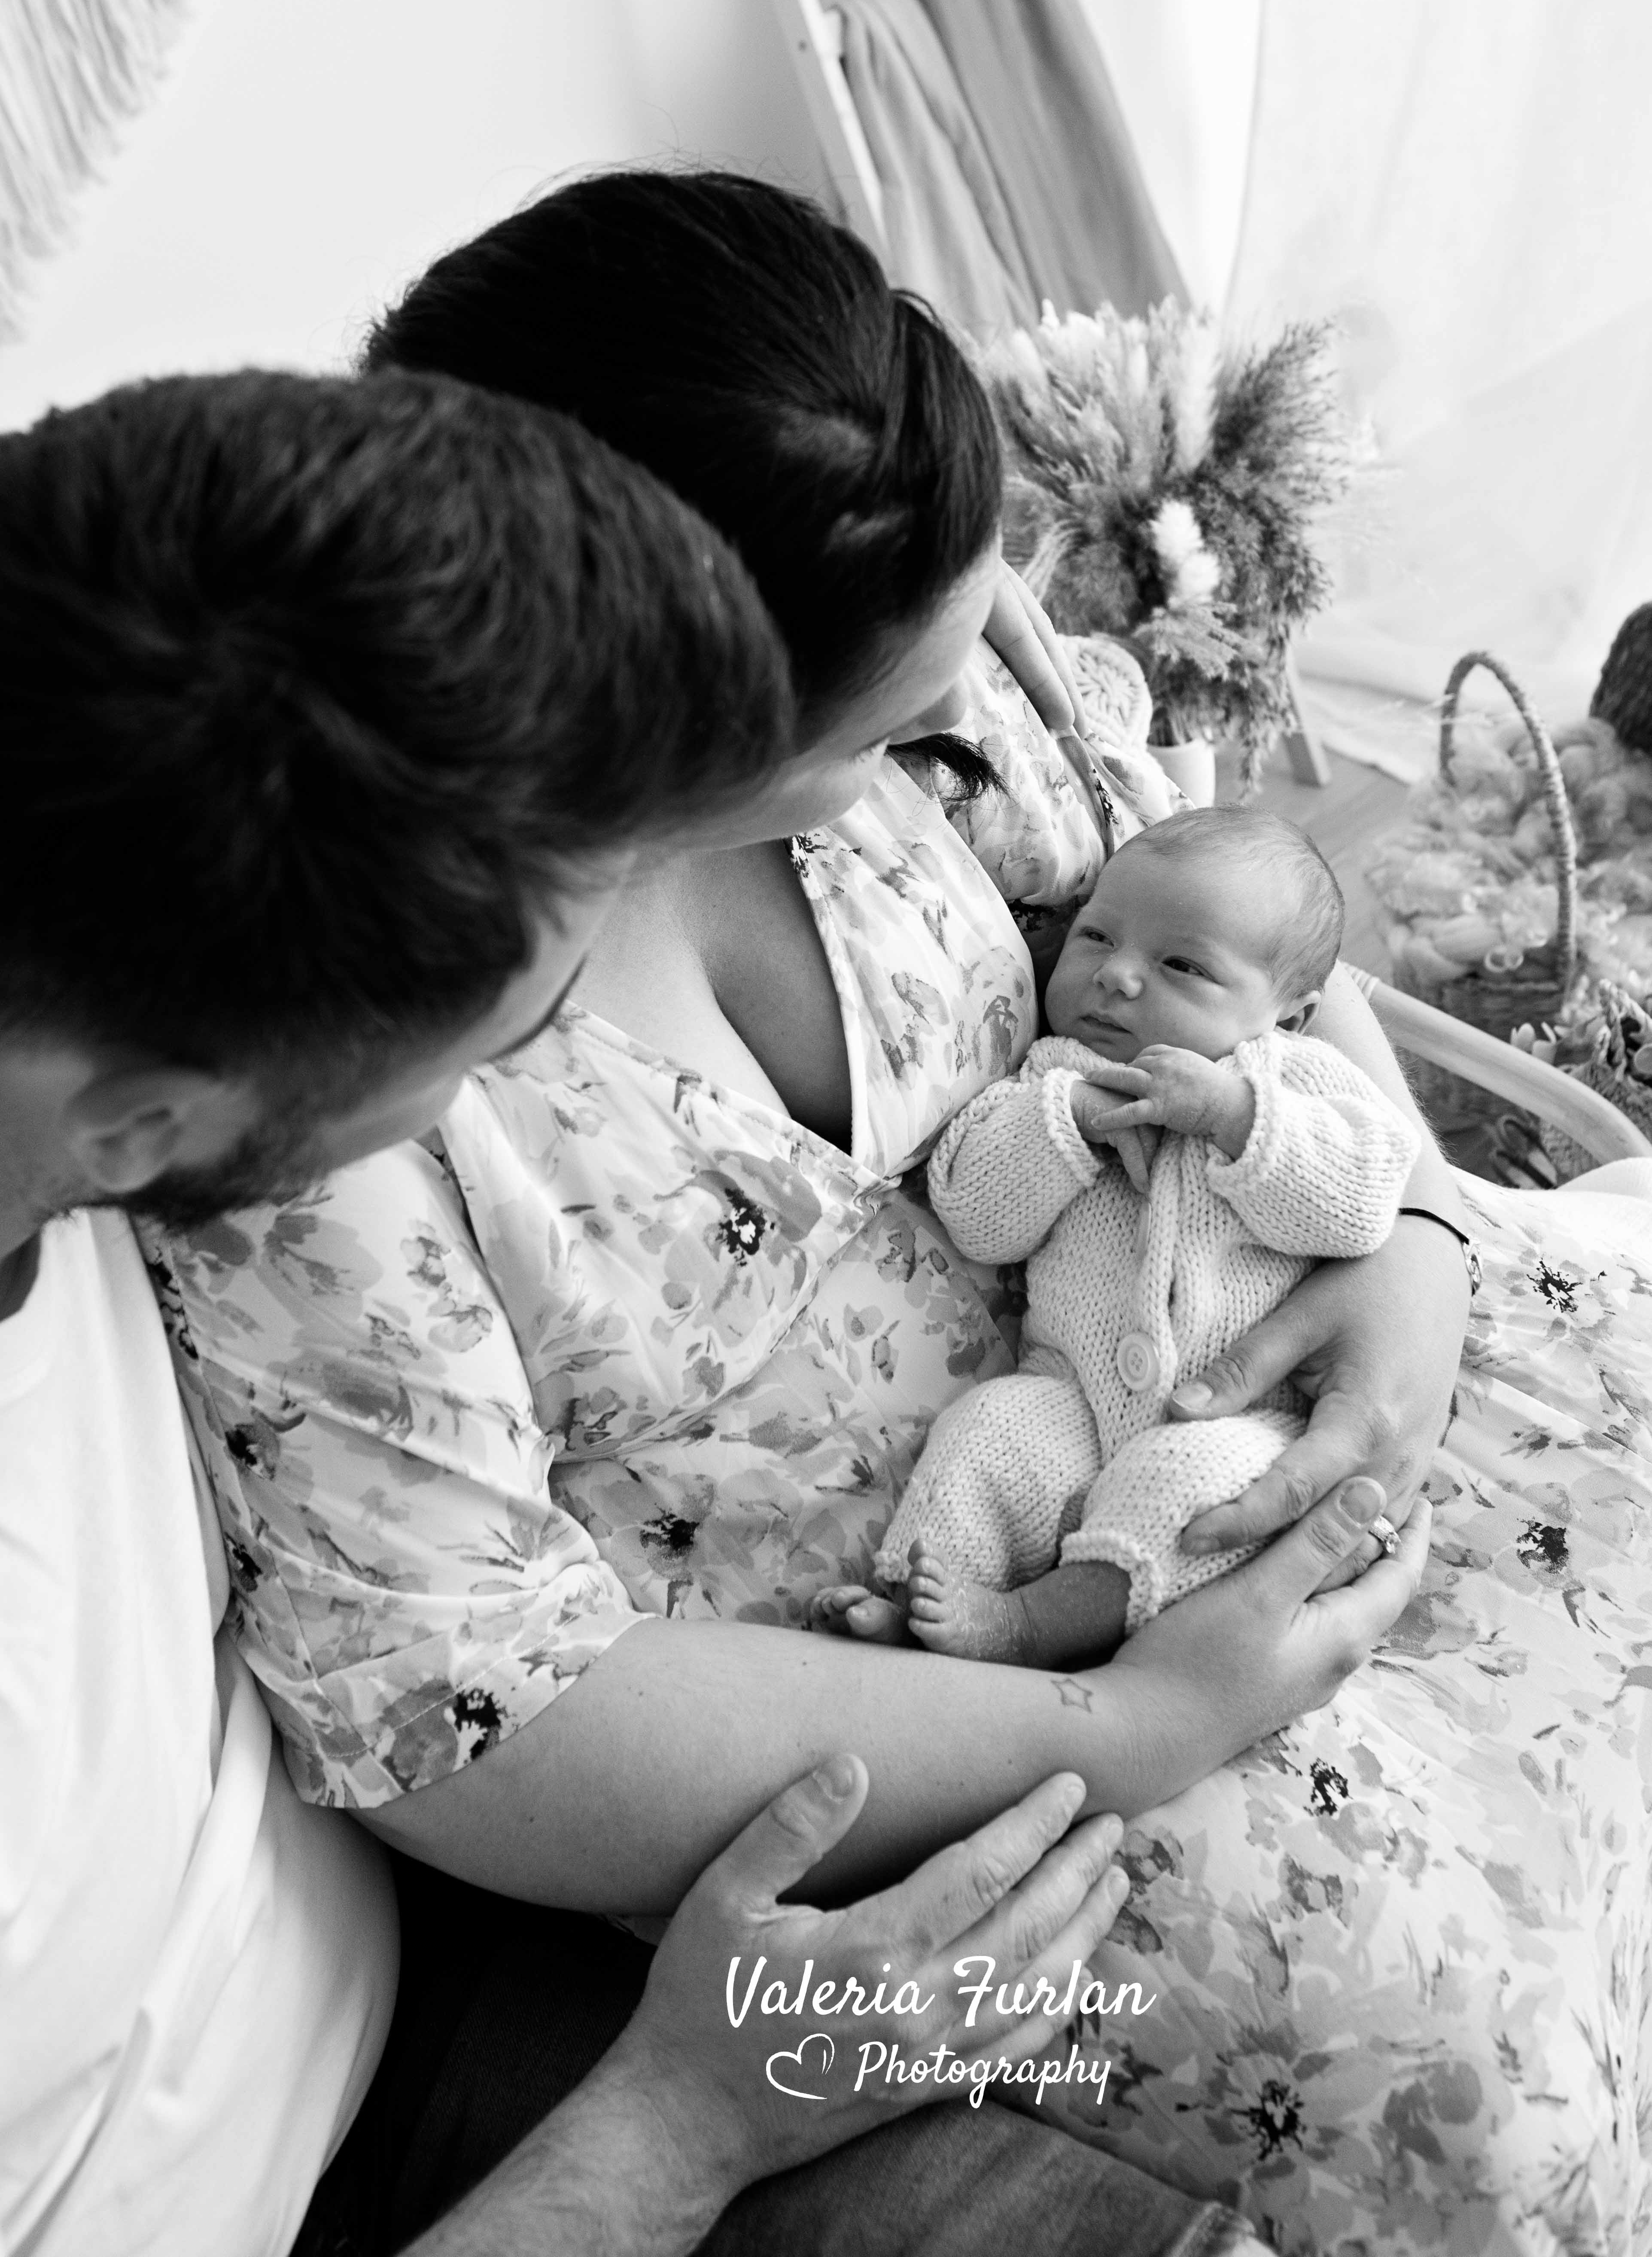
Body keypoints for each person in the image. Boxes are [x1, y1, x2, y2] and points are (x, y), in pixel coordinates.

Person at [150, 172, 1652, 2245]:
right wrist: (1120, 1723)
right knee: (1500, 2101)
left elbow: (1238, 929)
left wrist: (1410, 1243)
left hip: (1247, 1336)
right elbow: (461, 1716)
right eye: (905, 727)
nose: (991, 719)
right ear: (673, 712)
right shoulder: (359, 1075)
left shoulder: (932, 662)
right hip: (958, 1673)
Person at [0, 367, 1252, 2257]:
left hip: (438, 1973)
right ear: (163, 1126)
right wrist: (678, 2129)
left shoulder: (96, 893)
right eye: (520, 1025)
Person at [842, 807, 1418, 1663]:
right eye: (1096, 937)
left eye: (1180, 965)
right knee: (988, 1434)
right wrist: (1071, 1121)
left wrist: (1238, 1120)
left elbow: (1366, 1197)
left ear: (1286, 1017)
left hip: (1252, 1419)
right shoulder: (1053, 1078)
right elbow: (975, 1213)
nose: (1115, 977)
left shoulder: (1294, 1080)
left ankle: (1029, 1627)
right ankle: (917, 1606)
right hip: (1070, 1396)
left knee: (1178, 1487)